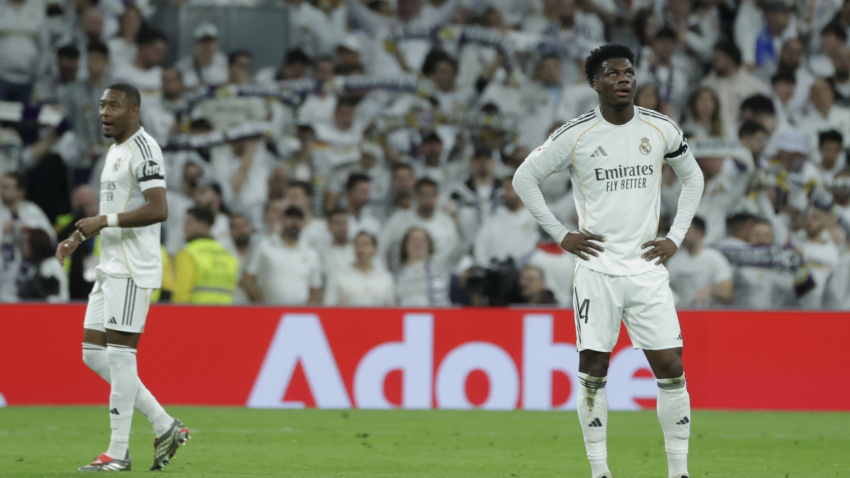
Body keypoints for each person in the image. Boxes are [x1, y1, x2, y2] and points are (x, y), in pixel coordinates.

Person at [513, 44, 704, 478]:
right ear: (595, 83)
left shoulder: (660, 128)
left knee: (671, 366)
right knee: (594, 368)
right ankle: (600, 471)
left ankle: (679, 472)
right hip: (597, 270)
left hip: (646, 269)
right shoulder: (576, 134)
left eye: (629, 72)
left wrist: (675, 236)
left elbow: (693, 177)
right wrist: (561, 234)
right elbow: (524, 177)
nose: (624, 79)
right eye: (613, 74)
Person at [53, 83, 189, 472]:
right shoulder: (114, 152)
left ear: (134, 111)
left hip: (132, 268)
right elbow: (111, 210)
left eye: (114, 105)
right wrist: (79, 235)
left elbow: (159, 208)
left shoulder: (146, 149)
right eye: (101, 105)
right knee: (93, 354)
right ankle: (165, 424)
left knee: (121, 355)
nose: (104, 112)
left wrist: (102, 221)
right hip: (108, 265)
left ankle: (118, 452)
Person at [243, 206, 322, 305]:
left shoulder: (310, 253)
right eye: (290, 218)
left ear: (303, 223)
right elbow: (248, 279)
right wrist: (261, 305)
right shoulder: (265, 245)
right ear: (282, 220)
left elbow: (316, 288)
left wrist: (307, 312)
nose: (294, 222)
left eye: (298, 219)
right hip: (269, 311)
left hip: (299, 313)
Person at [172, 206, 239, 304]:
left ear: (204, 225)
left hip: (195, 314)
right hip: (225, 314)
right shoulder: (228, 254)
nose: (184, 228)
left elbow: (181, 294)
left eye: (189, 222)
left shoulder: (188, 253)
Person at [666, 217, 734, 308]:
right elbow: (668, 288)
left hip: (709, 315)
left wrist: (711, 290)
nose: (683, 236)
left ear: (700, 233)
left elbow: (727, 292)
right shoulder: (674, 261)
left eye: (687, 232)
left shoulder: (715, 259)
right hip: (683, 314)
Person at [324, 231, 395, 306]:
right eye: (357, 244)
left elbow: (390, 308)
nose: (360, 248)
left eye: (365, 244)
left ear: (375, 249)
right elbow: (328, 306)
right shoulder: (338, 276)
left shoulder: (385, 278)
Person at [394, 227, 451, 307]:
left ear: (429, 245)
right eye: (413, 240)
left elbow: (440, 302)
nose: (418, 243)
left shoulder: (438, 272)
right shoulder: (396, 274)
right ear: (405, 245)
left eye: (422, 240)